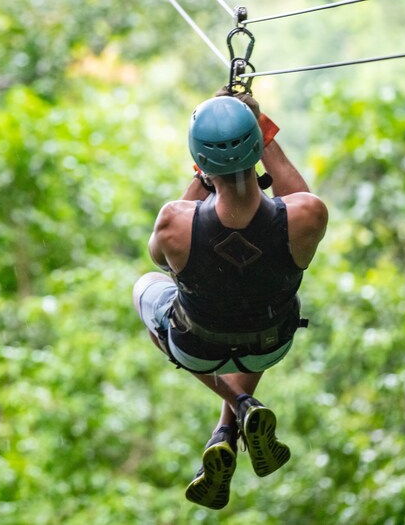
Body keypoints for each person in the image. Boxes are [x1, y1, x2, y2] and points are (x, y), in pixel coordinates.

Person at [132, 89, 328, 510]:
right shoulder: (307, 218)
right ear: (257, 147)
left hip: (198, 349)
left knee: (146, 289)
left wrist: (203, 173)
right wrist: (261, 129)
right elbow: (302, 196)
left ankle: (238, 405)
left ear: (200, 162)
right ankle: (229, 425)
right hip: (269, 345)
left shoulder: (173, 225)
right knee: (258, 297)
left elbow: (162, 260)